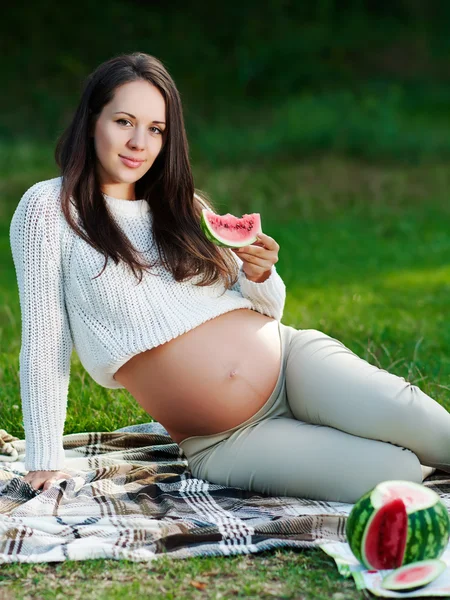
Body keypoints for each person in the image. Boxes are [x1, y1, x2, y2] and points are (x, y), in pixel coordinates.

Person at [9, 52, 450, 502]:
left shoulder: (185, 208)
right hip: (224, 440)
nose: (139, 142)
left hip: (296, 363)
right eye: (124, 121)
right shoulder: (49, 210)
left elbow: (264, 307)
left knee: (437, 434)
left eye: (156, 129)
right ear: (91, 120)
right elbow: (45, 340)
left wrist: (261, 274)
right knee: (396, 472)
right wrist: (45, 460)